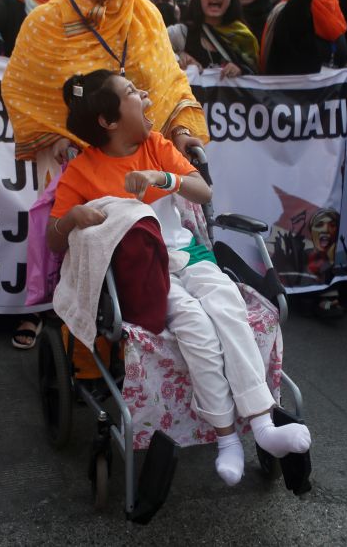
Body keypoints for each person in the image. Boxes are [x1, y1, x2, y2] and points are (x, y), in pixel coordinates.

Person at [48, 69, 311, 486]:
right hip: (145, 275)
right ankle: (227, 439)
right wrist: (72, 219)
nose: (146, 94)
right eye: (133, 92)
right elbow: (53, 239)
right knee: (195, 326)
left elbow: (202, 191)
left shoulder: (155, 144)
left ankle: (263, 426)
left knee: (227, 306)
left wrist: (162, 178)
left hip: (190, 254)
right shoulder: (81, 171)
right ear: (108, 121)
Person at [2, 0, 207, 363]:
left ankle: (170, 329)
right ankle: (89, 338)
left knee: (164, 249)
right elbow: (22, 86)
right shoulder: (46, 23)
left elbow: (168, 80)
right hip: (78, 161)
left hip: (147, 153)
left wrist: (184, 132)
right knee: (86, 244)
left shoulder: (145, 14)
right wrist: (57, 136)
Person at [260, 0, 347, 318]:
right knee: (289, 202)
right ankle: (282, 274)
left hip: (324, 131)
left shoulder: (336, 15)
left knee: (323, 201)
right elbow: (297, 26)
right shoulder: (288, 13)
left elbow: (341, 55)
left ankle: (322, 280)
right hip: (289, 127)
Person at [167, 0, 258, 77]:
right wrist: (177, 56)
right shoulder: (179, 34)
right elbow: (152, 52)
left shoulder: (243, 36)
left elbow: (256, 73)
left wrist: (241, 69)